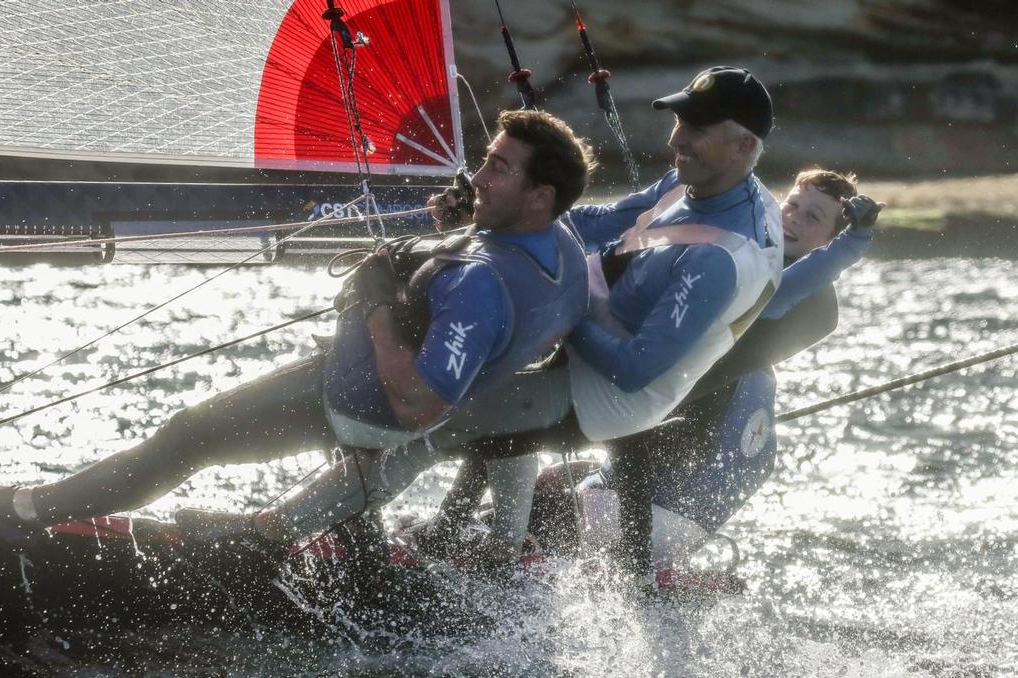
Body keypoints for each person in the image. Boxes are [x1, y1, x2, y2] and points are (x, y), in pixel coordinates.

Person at [259, 66, 788, 566]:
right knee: (483, 368)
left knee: (431, 421)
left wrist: (563, 306)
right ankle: (503, 548)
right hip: (586, 333)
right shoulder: (706, 184)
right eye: (678, 121)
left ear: (744, 145)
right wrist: (506, 208)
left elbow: (634, 369)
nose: (675, 140)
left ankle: (271, 534)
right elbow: (608, 219)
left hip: (604, 394)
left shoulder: (718, 259)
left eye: (695, 129)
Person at [0, 109, 594, 540]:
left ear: (540, 196)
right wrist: (469, 222)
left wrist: (377, 304)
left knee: (188, 436)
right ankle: (344, 556)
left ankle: (27, 509)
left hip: (360, 404)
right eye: (486, 160)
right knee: (213, 439)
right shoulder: (565, 241)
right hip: (430, 392)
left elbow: (416, 405)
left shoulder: (480, 285)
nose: (478, 178)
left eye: (498, 169)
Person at [522, 169, 884, 569]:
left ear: (827, 240)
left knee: (562, 439)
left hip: (677, 480)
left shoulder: (774, 285)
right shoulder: (739, 250)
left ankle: (629, 567)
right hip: (668, 467)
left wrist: (854, 240)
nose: (793, 218)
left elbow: (801, 280)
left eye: (813, 217)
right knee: (550, 475)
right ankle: (494, 536)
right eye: (792, 205)